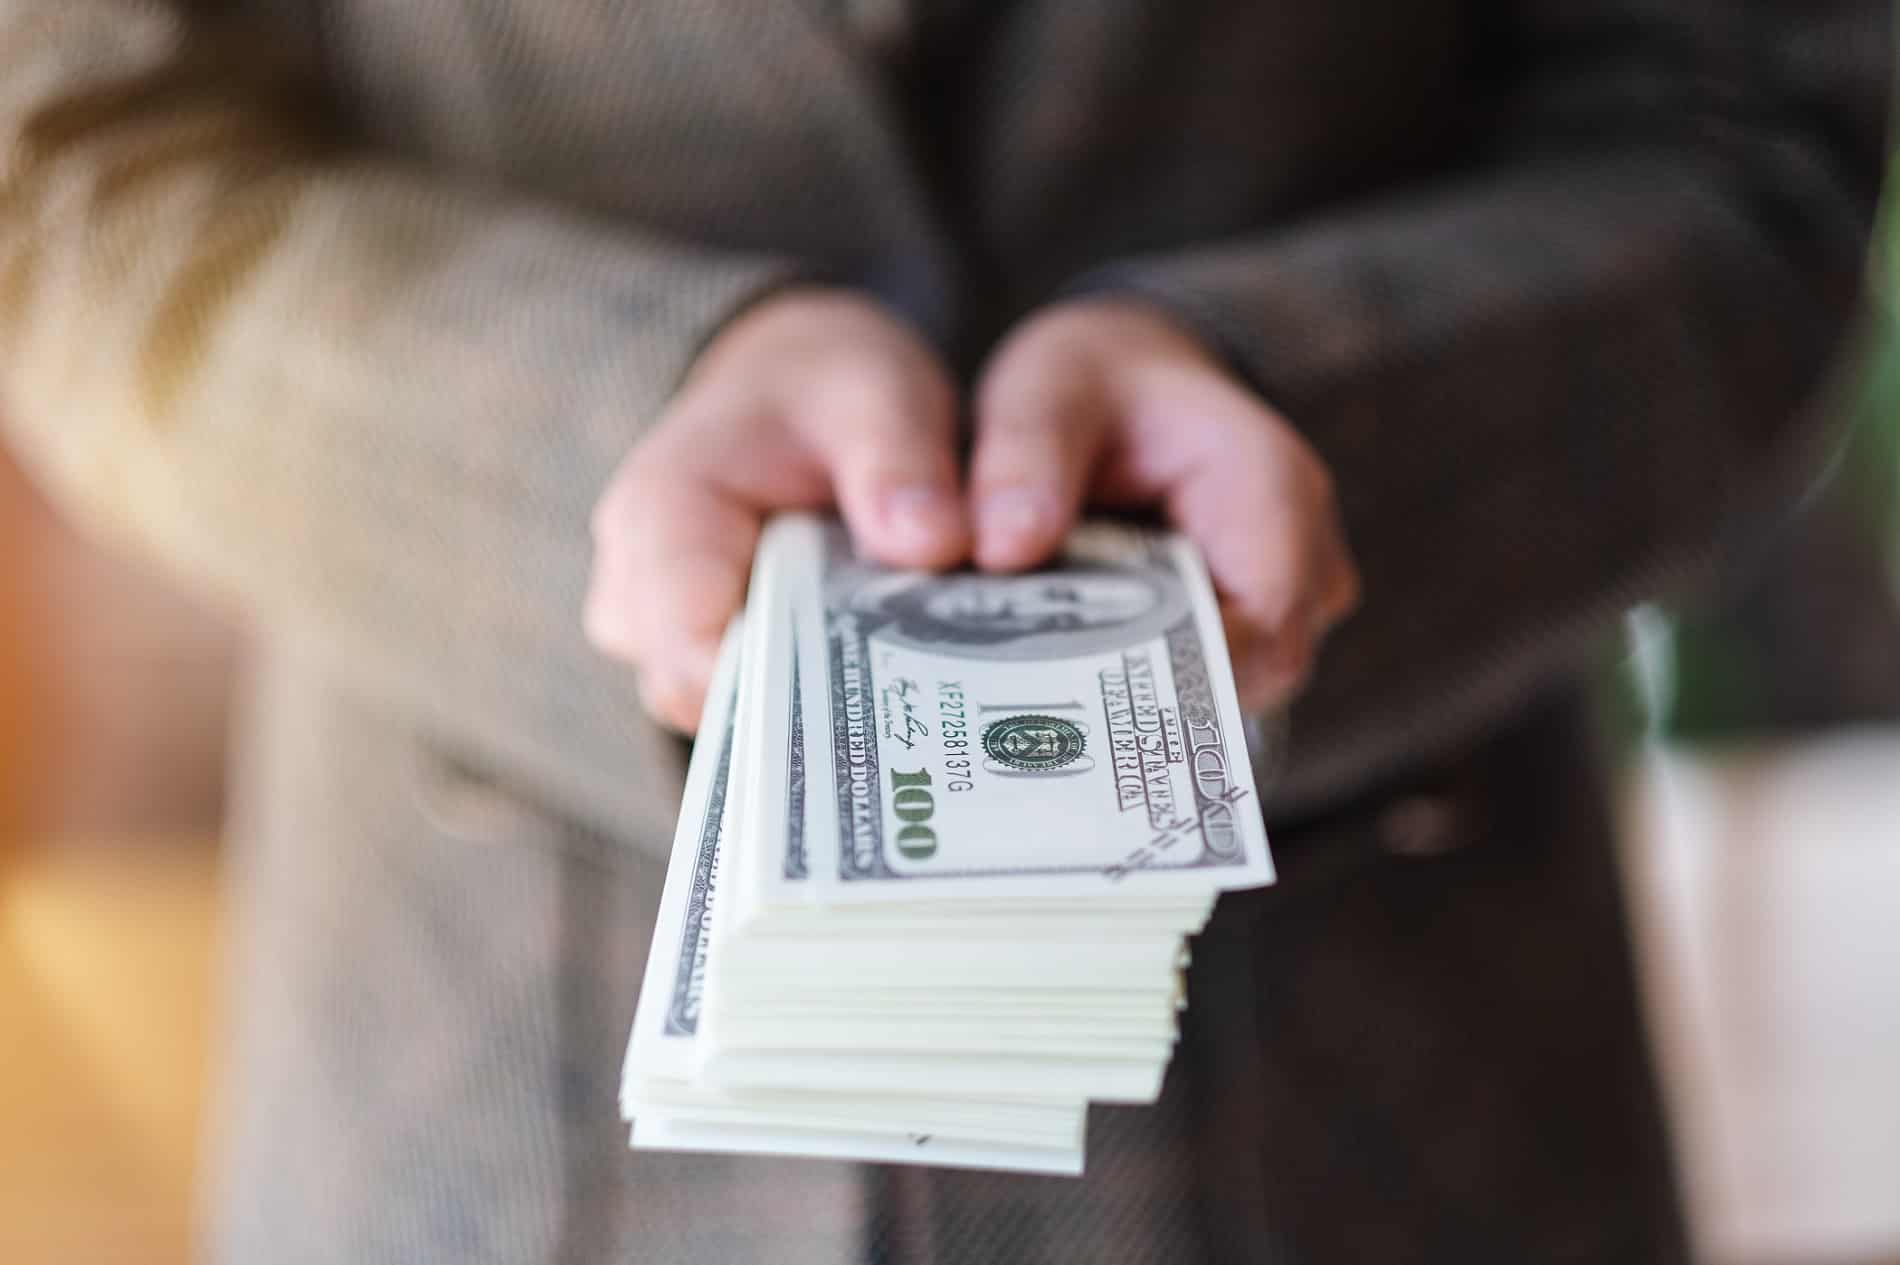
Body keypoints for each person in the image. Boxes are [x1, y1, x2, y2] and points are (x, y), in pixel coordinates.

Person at [0, 1, 1886, 1261]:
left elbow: (1747, 138)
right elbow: (68, 173)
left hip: (1390, 1104)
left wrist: (1304, 397)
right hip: (483, 1088)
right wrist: (616, 415)